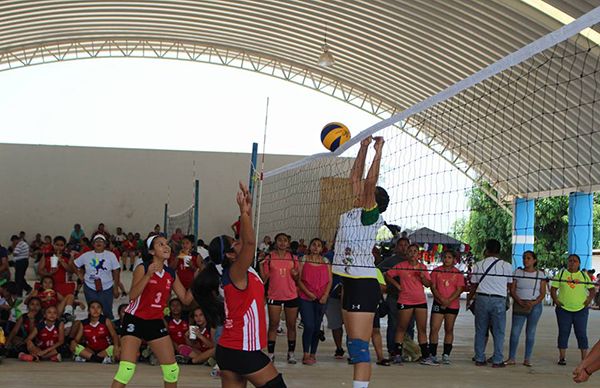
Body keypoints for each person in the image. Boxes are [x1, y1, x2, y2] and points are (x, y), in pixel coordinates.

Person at [194, 182, 286, 387]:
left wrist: (247, 209)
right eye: (234, 243)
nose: (239, 242)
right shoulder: (235, 272)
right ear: (228, 254)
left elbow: (247, 238)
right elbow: (251, 243)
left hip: (228, 349)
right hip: (241, 349)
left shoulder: (236, 270)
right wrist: (242, 212)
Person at [332, 135, 389, 388]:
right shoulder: (356, 210)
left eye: (368, 194)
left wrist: (378, 151)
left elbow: (369, 181)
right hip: (349, 281)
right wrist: (362, 147)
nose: (361, 191)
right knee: (353, 345)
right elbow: (356, 178)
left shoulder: (370, 215)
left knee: (358, 346)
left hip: (363, 282)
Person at [111, 234, 193, 388]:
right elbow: (133, 296)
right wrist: (148, 275)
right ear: (151, 251)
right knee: (126, 370)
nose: (166, 246)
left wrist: (199, 277)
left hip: (155, 321)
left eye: (167, 243)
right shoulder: (142, 268)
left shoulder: (171, 273)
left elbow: (186, 299)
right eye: (160, 244)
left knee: (172, 370)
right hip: (135, 319)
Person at [467, 239, 513, 368]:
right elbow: (510, 284)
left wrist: (469, 299)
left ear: (486, 250)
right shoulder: (507, 266)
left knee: (481, 330)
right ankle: (498, 360)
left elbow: (474, 285)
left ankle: (480, 358)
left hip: (482, 299)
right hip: (499, 300)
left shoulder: (479, 265)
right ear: (499, 250)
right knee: (499, 331)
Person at [385, 243, 433, 365]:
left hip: (420, 301)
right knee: (401, 327)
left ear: (418, 254)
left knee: (421, 329)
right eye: (410, 251)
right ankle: (397, 355)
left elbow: (428, 284)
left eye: (415, 251)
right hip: (405, 300)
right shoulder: (401, 266)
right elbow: (388, 275)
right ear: (407, 253)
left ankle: (426, 356)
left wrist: (422, 277)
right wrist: (398, 286)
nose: (412, 253)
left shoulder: (422, 267)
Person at [260, 232, 300, 364]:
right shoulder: (269, 257)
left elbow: (298, 279)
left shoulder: (294, 258)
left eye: (285, 240)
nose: (282, 243)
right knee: (273, 324)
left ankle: (291, 353)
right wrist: (261, 265)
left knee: (291, 325)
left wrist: (295, 275)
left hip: (291, 295)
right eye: (279, 240)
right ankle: (271, 354)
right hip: (274, 295)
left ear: (288, 243)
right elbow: (264, 279)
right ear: (275, 242)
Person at [550, 254, 596, 366]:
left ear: (579, 263)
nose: (572, 263)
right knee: (563, 333)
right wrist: (556, 300)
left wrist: (588, 300)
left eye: (575, 261)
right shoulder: (561, 274)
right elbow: (553, 289)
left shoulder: (584, 276)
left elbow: (592, 290)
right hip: (563, 310)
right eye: (570, 260)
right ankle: (562, 357)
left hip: (581, 310)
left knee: (581, 334)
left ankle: (584, 359)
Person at [506, 250, 547, 367]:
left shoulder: (540, 274)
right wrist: (519, 301)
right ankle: (511, 357)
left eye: (528, 258)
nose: (525, 260)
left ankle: (527, 358)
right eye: (524, 258)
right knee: (515, 332)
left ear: (534, 260)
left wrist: (533, 303)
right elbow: (512, 290)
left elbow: (543, 293)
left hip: (535, 306)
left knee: (531, 332)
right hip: (520, 304)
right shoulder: (517, 272)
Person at [296, 238, 332, 365]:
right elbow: (298, 279)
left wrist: (326, 295)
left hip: (322, 298)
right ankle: (306, 353)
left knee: (317, 327)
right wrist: (308, 293)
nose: (316, 247)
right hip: (306, 297)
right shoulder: (304, 259)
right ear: (310, 246)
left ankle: (313, 354)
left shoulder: (326, 261)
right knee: (309, 325)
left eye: (319, 245)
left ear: (322, 248)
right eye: (314, 245)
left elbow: (329, 281)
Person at [429, 250, 465, 365]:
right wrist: (441, 300)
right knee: (434, 328)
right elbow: (433, 287)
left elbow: (459, 289)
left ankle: (446, 355)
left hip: (452, 304)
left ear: (454, 259)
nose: (447, 259)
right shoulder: (435, 271)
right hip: (438, 303)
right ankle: (432, 354)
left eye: (449, 257)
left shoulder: (458, 273)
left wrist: (448, 300)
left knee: (449, 329)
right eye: (445, 257)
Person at [377, 237, 410, 358]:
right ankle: (392, 351)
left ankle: (407, 350)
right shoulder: (391, 261)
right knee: (394, 324)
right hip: (394, 296)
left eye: (406, 245)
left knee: (409, 325)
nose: (403, 247)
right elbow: (377, 270)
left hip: (410, 298)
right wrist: (384, 284)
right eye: (401, 245)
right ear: (396, 247)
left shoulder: (413, 261)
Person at [74, 234, 121, 320]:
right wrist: (79, 274)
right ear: (92, 244)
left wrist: (115, 288)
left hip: (107, 287)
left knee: (107, 311)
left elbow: (116, 271)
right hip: (90, 286)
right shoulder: (86, 255)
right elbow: (74, 264)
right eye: (96, 241)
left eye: (101, 241)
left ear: (105, 244)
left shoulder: (111, 255)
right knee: (93, 311)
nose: (98, 243)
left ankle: (109, 328)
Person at [165, 298, 189, 362]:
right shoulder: (167, 320)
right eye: (173, 305)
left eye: (178, 305)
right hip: (172, 347)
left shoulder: (187, 319)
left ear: (182, 306)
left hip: (186, 346)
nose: (175, 307)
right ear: (169, 308)